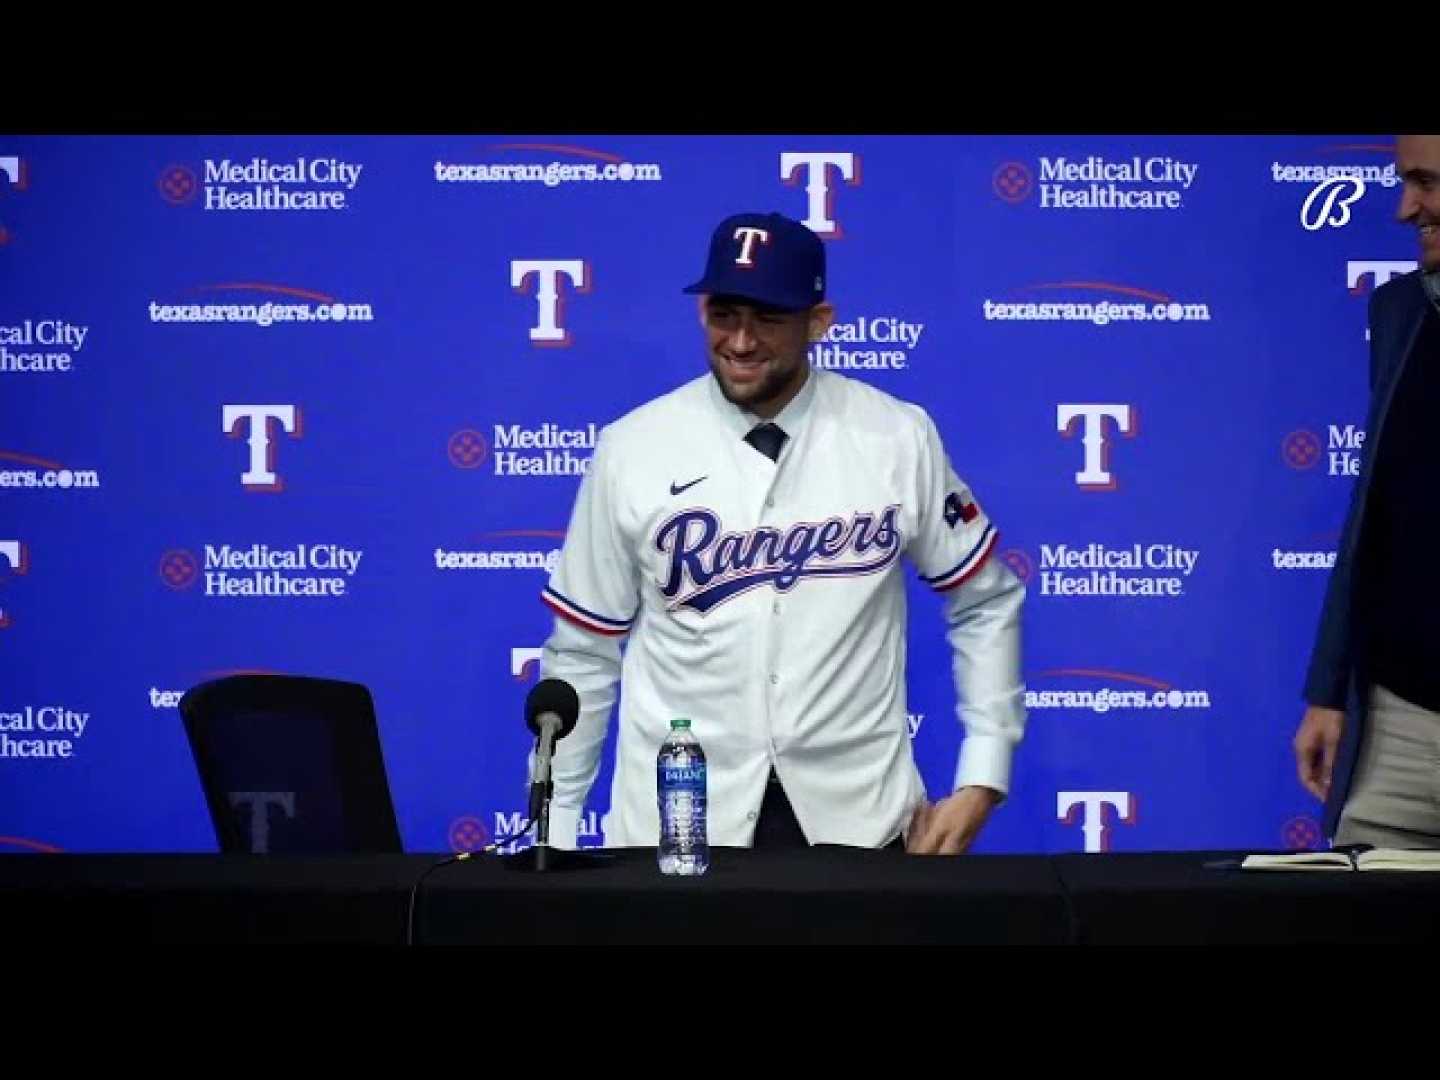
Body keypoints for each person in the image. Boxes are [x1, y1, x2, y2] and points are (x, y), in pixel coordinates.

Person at [532, 210, 1026, 854]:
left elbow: (984, 599)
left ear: (819, 322)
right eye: (724, 314)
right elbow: (583, 652)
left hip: (860, 822)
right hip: (676, 824)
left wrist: (983, 773)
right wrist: (558, 833)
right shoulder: (632, 448)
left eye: (767, 318)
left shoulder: (896, 436)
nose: (740, 341)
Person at [1294, 134, 1440, 847]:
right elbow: (1374, 513)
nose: (1406, 207)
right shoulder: (1399, 313)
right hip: (1397, 730)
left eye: (1427, 182)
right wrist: (1330, 688)